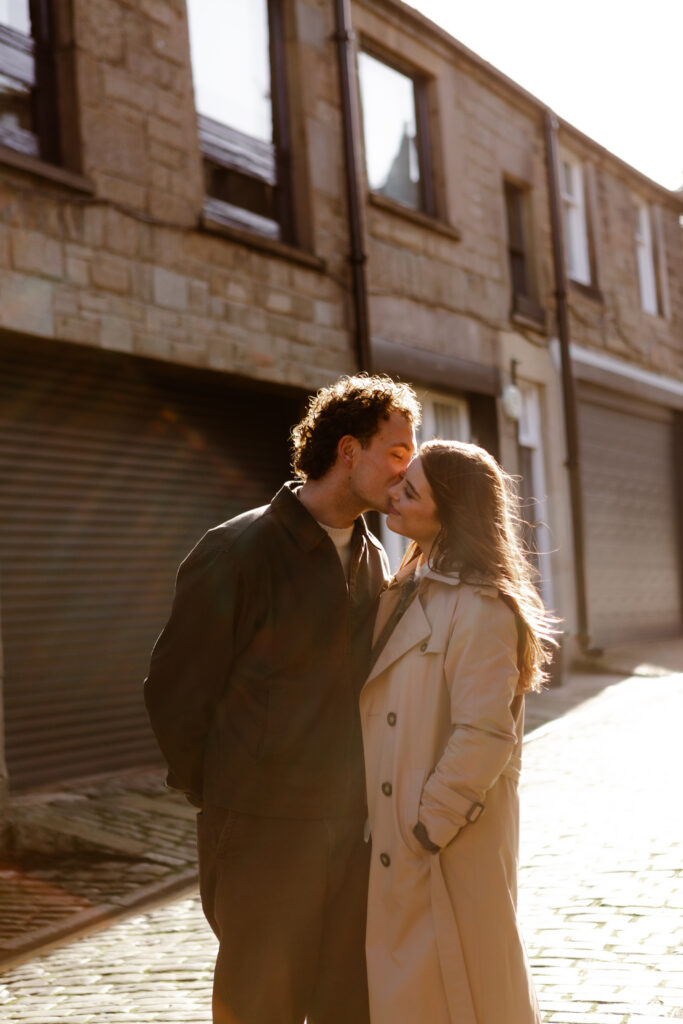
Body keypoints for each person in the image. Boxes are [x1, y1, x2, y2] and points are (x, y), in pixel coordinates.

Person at [144, 374, 420, 1024]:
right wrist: (227, 795)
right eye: (397, 452)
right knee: (259, 1007)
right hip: (260, 831)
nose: (405, 472)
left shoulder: (375, 560)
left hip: (352, 833)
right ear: (348, 450)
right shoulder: (237, 549)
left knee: (347, 1009)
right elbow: (175, 691)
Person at [360, 439, 556, 1024]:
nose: (394, 494)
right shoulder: (408, 581)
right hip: (403, 836)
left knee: (465, 992)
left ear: (450, 513)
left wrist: (428, 825)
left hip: (446, 843)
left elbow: (485, 733)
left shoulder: (480, 606)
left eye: (411, 490)